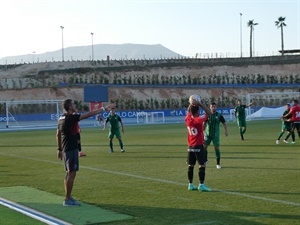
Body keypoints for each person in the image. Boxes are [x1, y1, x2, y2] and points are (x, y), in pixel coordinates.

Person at [56, 99, 114, 206]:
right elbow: (88, 115)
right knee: (71, 173)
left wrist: (59, 149)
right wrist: (103, 109)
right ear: (69, 107)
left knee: (68, 173)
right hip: (71, 148)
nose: (75, 105)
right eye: (73, 104)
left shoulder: (61, 118)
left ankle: (68, 197)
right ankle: (68, 199)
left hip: (65, 149)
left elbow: (58, 134)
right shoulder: (71, 118)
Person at [185, 98, 212, 192]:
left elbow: (189, 111)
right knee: (202, 165)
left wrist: (191, 104)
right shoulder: (198, 120)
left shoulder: (188, 119)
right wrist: (200, 104)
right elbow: (209, 113)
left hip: (190, 147)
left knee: (190, 166)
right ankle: (201, 185)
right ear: (198, 112)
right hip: (198, 146)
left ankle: (190, 184)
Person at [204, 102, 228, 169]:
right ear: (210, 107)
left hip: (215, 135)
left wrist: (226, 131)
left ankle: (218, 163)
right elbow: (204, 123)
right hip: (207, 134)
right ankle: (205, 160)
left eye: (214, 106)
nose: (213, 108)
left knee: (216, 148)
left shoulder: (219, 115)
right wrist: (203, 132)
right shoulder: (207, 115)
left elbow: (224, 123)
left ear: (216, 107)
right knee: (204, 147)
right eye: (212, 106)